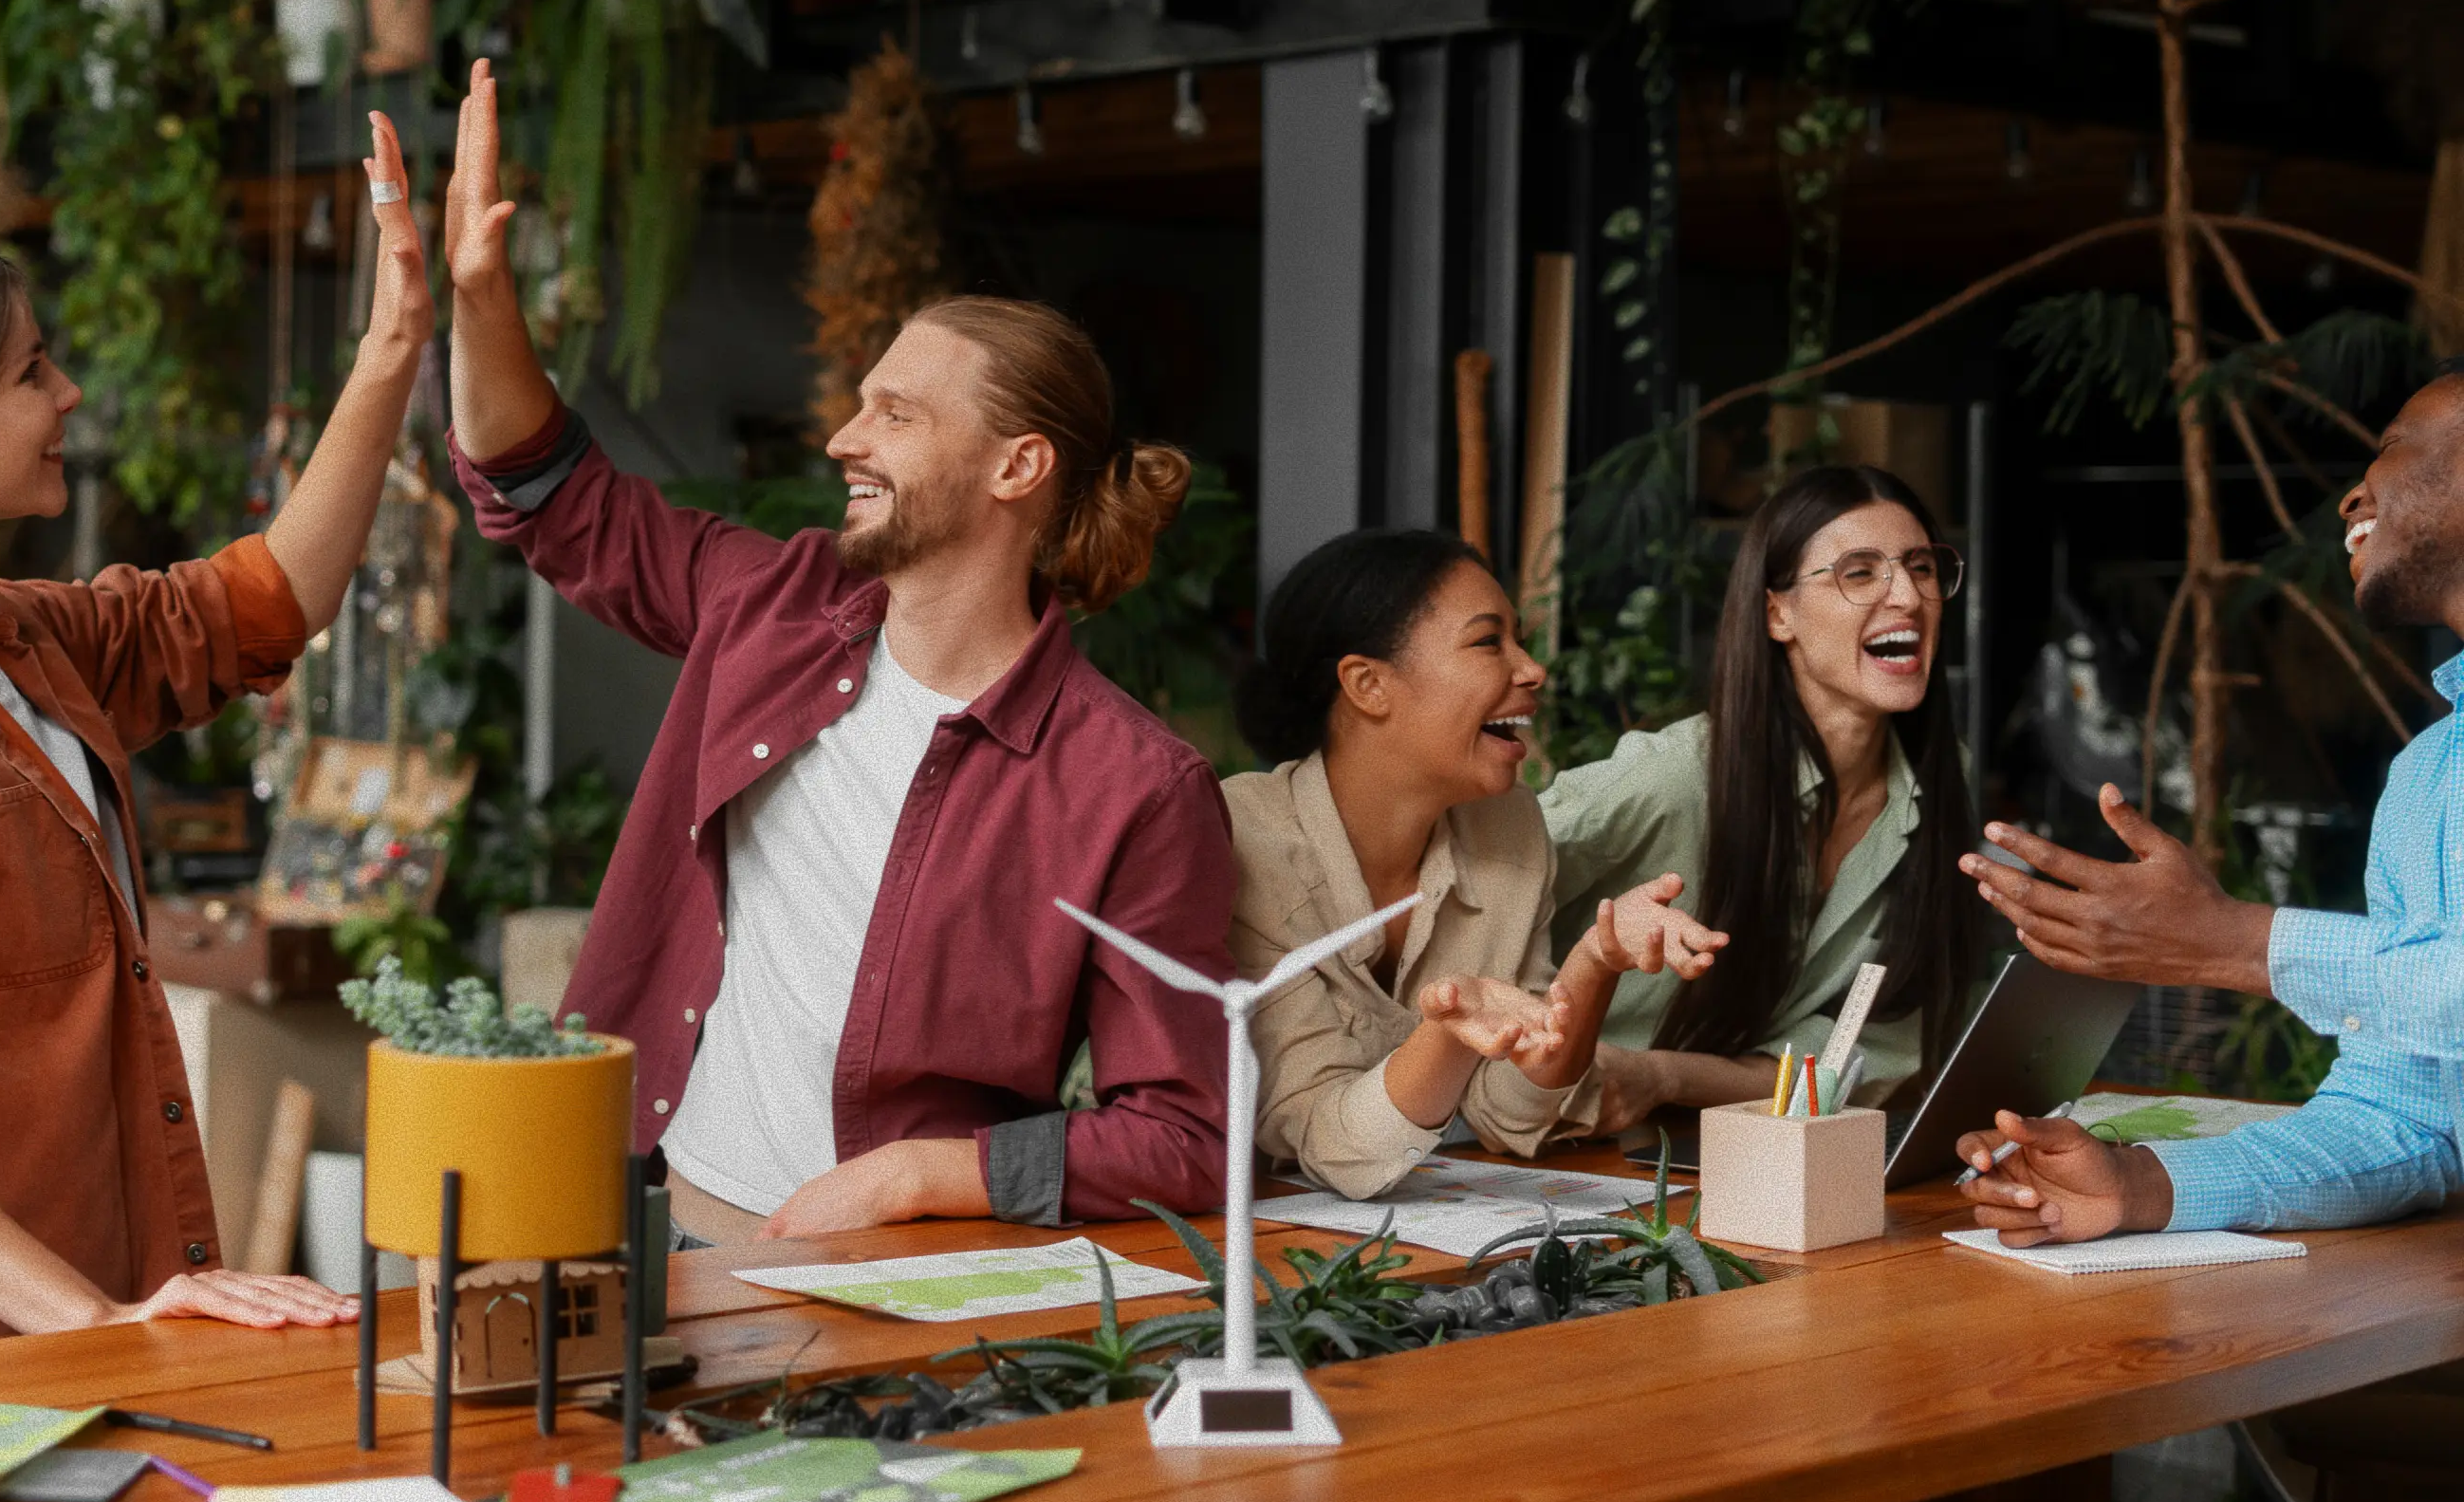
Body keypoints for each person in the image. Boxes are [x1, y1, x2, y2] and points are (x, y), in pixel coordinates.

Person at [436, 61, 1232, 1246]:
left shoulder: (1136, 789)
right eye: (862, 402)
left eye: (897, 413)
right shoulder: (775, 603)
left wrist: (916, 1173)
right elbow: (548, 495)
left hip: (891, 1280)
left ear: (1019, 465)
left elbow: (1182, 1134)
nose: (844, 436)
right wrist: (479, 296)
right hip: (658, 1225)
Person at [0, 113, 437, 1364]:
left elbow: (265, 602)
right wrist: (97, 1319)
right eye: (30, 371)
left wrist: (392, 346)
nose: (66, 395)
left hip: (73, 1347)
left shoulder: (19, 642)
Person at [1955, 370, 2464, 1248]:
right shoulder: (2427, 778)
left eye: (2392, 445)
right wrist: (2139, 1189)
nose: (2351, 494)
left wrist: (2233, 943)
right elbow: (2408, 1122)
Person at [1228, 530, 1724, 1199]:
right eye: (1489, 642)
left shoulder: (1508, 826)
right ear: (1368, 684)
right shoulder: (1241, 841)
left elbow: (1515, 1114)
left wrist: (1594, 964)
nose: (1532, 670)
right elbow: (1325, 1140)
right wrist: (1450, 1033)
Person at [1539, 465, 1988, 1134]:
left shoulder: (1939, 782)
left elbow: (1856, 1058)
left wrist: (1661, 1076)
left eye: (1922, 568)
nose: (1909, 595)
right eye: (1859, 573)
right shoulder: (1674, 775)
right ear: (1778, 613)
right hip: (1534, 1146)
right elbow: (1471, 890)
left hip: (1719, 1144)